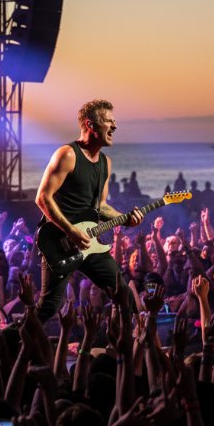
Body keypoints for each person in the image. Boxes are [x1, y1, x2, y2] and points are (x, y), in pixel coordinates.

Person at [34, 99, 143, 321]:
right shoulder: (67, 154)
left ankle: (128, 341)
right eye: (108, 121)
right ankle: (1, 339)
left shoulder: (105, 163)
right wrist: (71, 231)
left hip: (89, 242)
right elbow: (43, 198)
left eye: (114, 122)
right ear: (90, 124)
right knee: (47, 308)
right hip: (60, 243)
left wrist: (125, 218)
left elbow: (100, 206)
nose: (114, 126)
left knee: (123, 295)